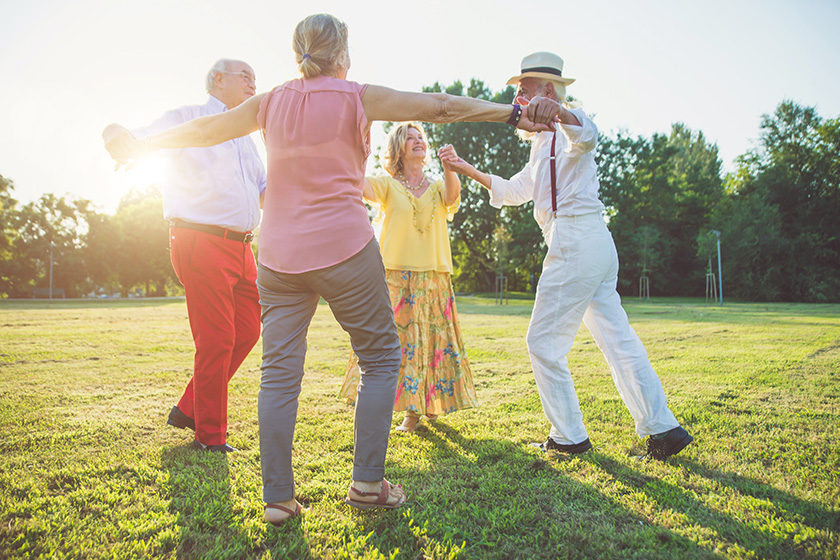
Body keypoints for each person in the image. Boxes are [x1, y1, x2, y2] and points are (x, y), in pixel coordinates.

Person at [101, 14, 560, 526]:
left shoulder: (271, 101)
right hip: (344, 248)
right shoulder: (356, 95)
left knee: (278, 374)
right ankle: (367, 484)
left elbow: (207, 130)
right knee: (383, 358)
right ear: (342, 53)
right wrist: (513, 114)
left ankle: (277, 498)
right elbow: (441, 107)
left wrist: (143, 146)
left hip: (277, 257)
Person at [440, 51, 693, 461]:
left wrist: (559, 110)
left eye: (522, 90)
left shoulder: (571, 123)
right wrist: (465, 168)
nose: (517, 99)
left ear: (545, 89)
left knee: (542, 342)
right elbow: (519, 189)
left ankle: (569, 436)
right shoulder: (540, 143)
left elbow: (588, 134)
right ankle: (664, 429)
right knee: (619, 341)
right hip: (591, 243)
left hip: (577, 238)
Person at [102, 59, 265, 454]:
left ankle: (190, 406)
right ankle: (210, 437)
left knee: (248, 329)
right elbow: (141, 136)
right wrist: (115, 135)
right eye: (245, 76)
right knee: (217, 339)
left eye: (255, 78)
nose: (253, 83)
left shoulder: (246, 136)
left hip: (243, 246)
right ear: (217, 80)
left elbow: (263, 189)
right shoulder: (189, 118)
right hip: (201, 239)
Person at [339, 122, 477, 433]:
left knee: (431, 341)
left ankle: (430, 404)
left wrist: (450, 167)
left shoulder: (439, 185)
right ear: (399, 148)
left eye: (421, 138)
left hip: (433, 274)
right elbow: (357, 183)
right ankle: (411, 412)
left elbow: (452, 197)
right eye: (410, 138)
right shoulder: (389, 185)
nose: (418, 142)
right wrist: (357, 146)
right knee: (399, 343)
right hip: (395, 276)